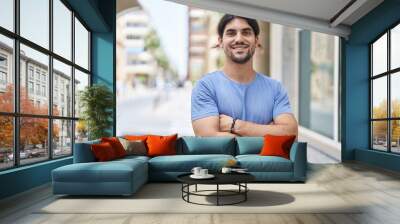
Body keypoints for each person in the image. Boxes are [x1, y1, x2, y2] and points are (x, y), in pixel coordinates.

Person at [191, 14, 298, 137]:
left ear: (256, 40)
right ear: (220, 41)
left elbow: (290, 134)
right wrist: (269, 131)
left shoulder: (275, 89)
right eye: (231, 33)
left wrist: (235, 125)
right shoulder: (205, 86)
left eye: (246, 33)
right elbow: (208, 138)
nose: (239, 39)